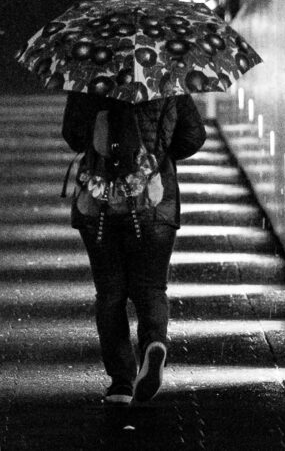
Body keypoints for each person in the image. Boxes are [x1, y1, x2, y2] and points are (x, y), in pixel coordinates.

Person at [62, 91, 206, 404]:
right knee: (151, 287)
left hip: (98, 204)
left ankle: (121, 383)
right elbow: (194, 136)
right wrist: (160, 154)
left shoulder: (89, 78)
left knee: (110, 293)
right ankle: (154, 345)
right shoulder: (166, 79)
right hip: (154, 202)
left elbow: (72, 136)